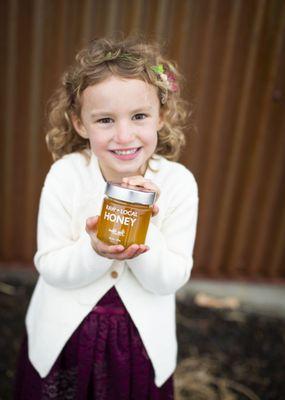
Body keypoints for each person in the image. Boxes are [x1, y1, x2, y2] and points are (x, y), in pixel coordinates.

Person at [14, 36, 199, 399]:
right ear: (80, 124)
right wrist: (94, 250)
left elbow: (170, 280)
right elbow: (50, 266)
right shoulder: (67, 176)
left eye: (139, 116)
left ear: (161, 116)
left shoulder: (177, 183)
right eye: (105, 120)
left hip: (137, 344)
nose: (124, 135)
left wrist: (143, 222)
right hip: (65, 337)